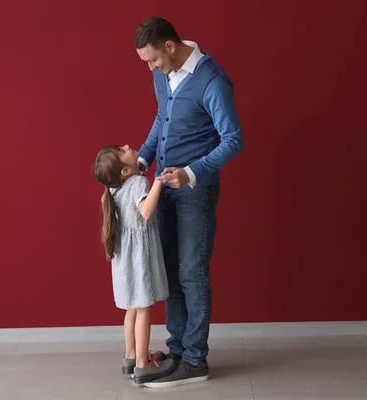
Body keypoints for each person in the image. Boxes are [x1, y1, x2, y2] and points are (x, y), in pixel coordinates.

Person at [134, 16, 244, 388]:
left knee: (192, 273)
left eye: (153, 61)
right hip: (163, 189)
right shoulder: (161, 73)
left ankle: (196, 360)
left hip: (196, 191)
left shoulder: (212, 80)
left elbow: (233, 140)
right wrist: (142, 161)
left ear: (169, 45)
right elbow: (161, 118)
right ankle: (178, 351)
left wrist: (191, 173)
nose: (150, 68)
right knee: (170, 272)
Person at [92, 144, 177, 384]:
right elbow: (147, 211)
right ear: (126, 171)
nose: (128, 146)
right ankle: (143, 364)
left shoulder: (113, 188)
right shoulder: (139, 183)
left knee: (132, 307)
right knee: (143, 308)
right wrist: (158, 182)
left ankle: (131, 357)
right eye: (122, 151)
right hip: (138, 258)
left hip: (124, 258)